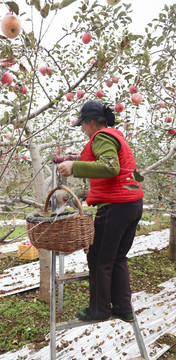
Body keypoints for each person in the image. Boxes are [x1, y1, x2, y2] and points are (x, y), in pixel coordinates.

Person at [58, 100, 144, 322]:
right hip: (132, 204)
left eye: (83, 125)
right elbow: (102, 160)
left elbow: (109, 166)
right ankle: (123, 307)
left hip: (115, 207)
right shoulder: (114, 136)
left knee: (98, 259)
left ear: (91, 122)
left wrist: (74, 168)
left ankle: (99, 310)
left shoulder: (102, 137)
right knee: (117, 258)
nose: (83, 130)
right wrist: (72, 159)